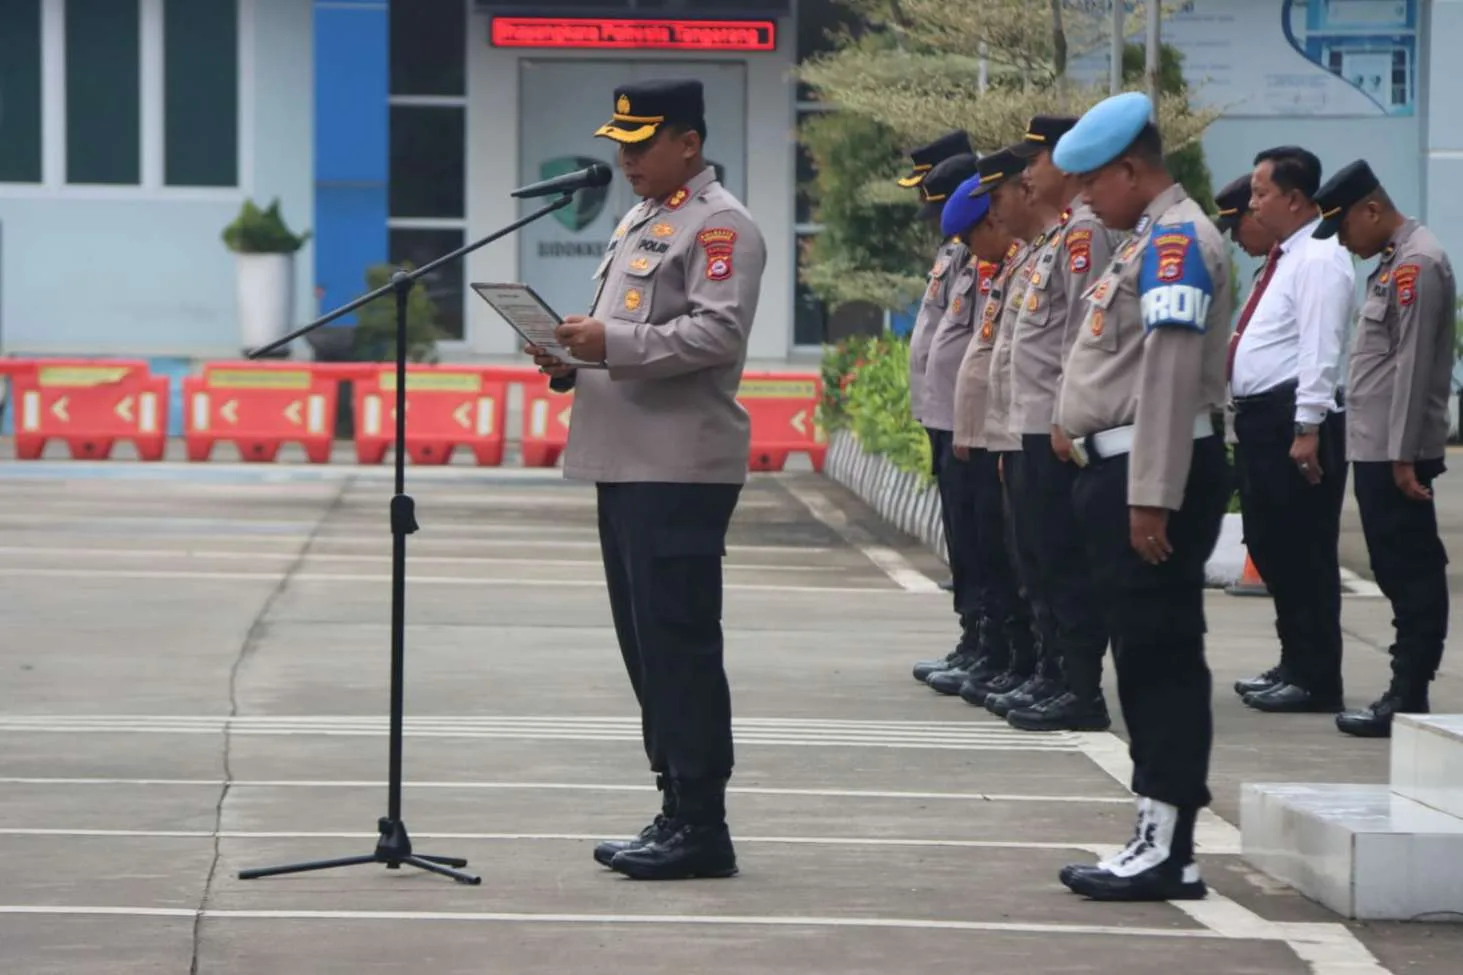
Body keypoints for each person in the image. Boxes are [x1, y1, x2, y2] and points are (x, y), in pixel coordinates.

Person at [524, 78, 768, 880]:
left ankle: (702, 821)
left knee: (679, 644)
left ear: (687, 143)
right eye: (619, 145)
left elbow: (715, 331)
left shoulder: (720, 226)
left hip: (678, 466)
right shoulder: (642, 218)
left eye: (639, 144)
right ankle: (674, 801)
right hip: (624, 457)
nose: (624, 160)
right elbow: (625, 332)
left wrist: (609, 342)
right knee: (646, 648)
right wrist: (570, 355)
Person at [1050, 91, 1234, 901]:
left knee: (1158, 662)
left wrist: (1150, 494)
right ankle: (1154, 834)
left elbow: (1165, 377)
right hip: (1119, 474)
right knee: (1145, 656)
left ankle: (1166, 848)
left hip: (1146, 478)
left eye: (1093, 179)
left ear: (1132, 168)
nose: (1083, 196)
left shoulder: (1175, 244)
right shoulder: (1144, 242)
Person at [1312, 159, 1455, 738]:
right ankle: (1404, 688)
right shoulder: (1396, 260)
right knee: (1397, 569)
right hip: (1375, 448)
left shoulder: (1415, 264)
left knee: (1411, 571)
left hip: (1395, 453)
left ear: (1372, 210)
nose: (1344, 242)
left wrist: (1402, 456)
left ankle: (1409, 691)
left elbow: (1415, 368)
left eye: (1344, 228)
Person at [1001, 115, 1119, 733]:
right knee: (1037, 558)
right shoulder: (1058, 238)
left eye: (1037, 158)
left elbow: (1082, 336)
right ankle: (1051, 673)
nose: (1027, 171)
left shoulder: (1086, 237)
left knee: (1063, 560)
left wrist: (1066, 417)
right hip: (1029, 425)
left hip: (1056, 426)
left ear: (1070, 163)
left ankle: (1079, 686)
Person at [1228, 147, 1354, 714]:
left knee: (1304, 551)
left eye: (1260, 193)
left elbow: (1320, 350)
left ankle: (1316, 676)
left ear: (1296, 199)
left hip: (1294, 421)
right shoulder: (1286, 258)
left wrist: (1307, 424)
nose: (1252, 204)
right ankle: (1293, 660)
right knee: (1271, 543)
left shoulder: (1320, 257)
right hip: (1262, 420)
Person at [927, 147, 1040, 701]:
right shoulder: (994, 265)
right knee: (980, 547)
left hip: (1008, 434)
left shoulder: (1024, 261)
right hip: (970, 430)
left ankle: (1016, 656)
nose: (969, 248)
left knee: (1010, 554)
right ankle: (988, 647)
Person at [905, 153, 990, 690]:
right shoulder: (956, 251)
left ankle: (988, 641)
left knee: (981, 540)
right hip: (943, 415)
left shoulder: (982, 255)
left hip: (969, 422)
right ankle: (974, 636)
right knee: (963, 537)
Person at [1212, 175, 1277, 260]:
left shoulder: (1297, 257)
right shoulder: (1276, 263)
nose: (1233, 238)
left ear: (1258, 212)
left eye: (1236, 227)